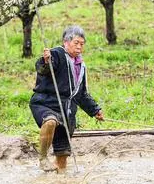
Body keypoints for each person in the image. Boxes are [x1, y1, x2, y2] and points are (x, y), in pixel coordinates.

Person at [30, 25, 104, 172]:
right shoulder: (56, 54)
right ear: (66, 42)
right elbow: (43, 68)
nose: (79, 47)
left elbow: (81, 94)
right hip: (46, 103)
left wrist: (95, 110)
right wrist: (46, 61)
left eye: (82, 44)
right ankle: (43, 158)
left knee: (62, 156)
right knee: (50, 121)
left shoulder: (81, 65)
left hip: (67, 111)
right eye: (76, 43)